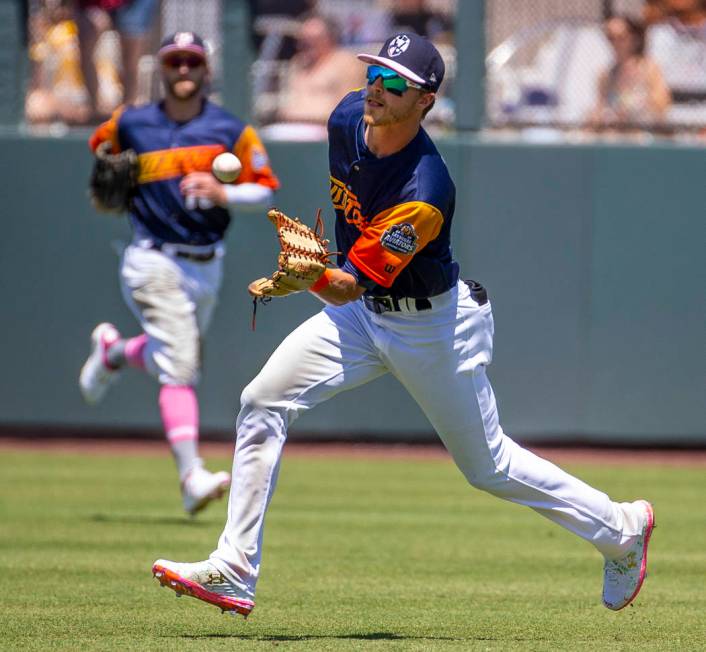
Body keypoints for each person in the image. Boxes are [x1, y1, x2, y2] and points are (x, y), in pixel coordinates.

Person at [151, 33, 654, 615]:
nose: (376, 91)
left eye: (395, 84)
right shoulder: (346, 119)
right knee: (262, 399)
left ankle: (621, 529)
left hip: (430, 329)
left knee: (488, 467)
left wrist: (311, 276)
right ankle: (235, 569)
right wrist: (320, 274)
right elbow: (349, 288)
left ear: (426, 102)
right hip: (360, 319)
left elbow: (346, 284)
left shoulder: (425, 190)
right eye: (373, 75)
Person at [79, 31, 280, 516]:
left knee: (175, 357)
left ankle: (115, 353)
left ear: (206, 68)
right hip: (152, 258)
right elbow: (99, 148)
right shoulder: (132, 122)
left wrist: (223, 193)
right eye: (175, 61)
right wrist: (108, 164)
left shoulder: (230, 131)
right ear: (162, 69)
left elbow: (265, 191)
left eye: (192, 61)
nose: (184, 70)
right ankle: (191, 476)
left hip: (206, 263)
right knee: (183, 366)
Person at [74, 0, 159, 122]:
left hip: (133, 3)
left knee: (131, 57)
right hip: (92, 3)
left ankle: (127, 110)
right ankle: (94, 109)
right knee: (86, 44)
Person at [274, 14, 362, 126]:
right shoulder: (297, 63)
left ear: (329, 39)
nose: (303, 46)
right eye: (302, 40)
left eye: (311, 40)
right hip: (289, 127)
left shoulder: (345, 63)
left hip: (325, 130)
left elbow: (350, 109)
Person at [588, 15, 671, 129]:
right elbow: (599, 107)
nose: (615, 43)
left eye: (621, 37)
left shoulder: (649, 68)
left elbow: (662, 105)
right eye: (610, 38)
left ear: (635, 38)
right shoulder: (605, 75)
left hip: (644, 134)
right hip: (616, 135)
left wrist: (632, 109)